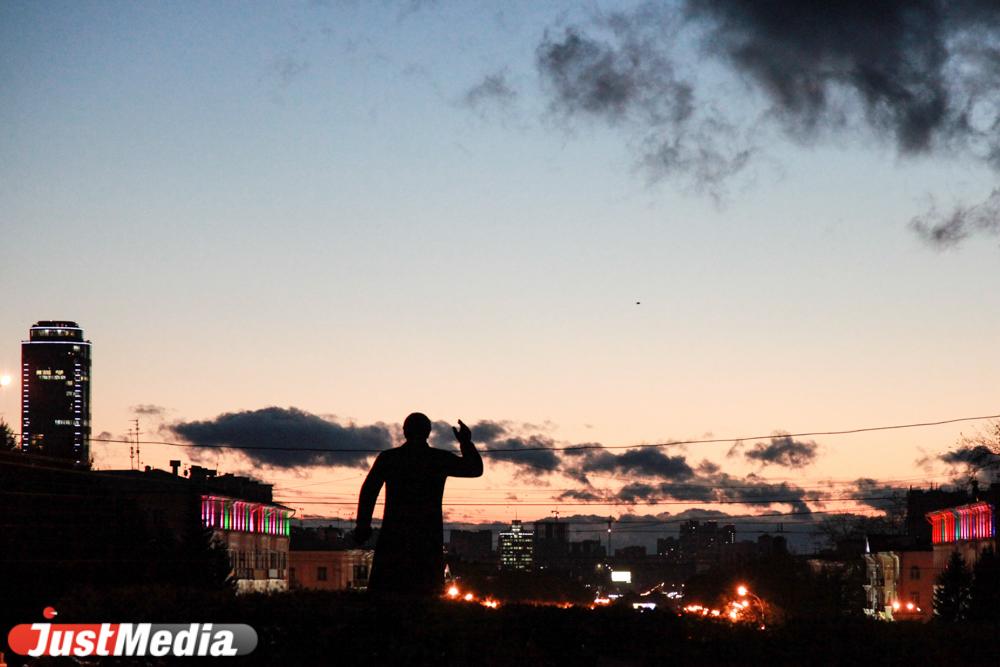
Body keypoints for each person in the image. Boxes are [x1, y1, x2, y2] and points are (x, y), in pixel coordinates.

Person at [354, 413, 483, 596]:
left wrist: (363, 526)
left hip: (394, 535)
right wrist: (466, 443)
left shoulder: (390, 458)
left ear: (404, 431)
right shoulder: (438, 459)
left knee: (386, 596)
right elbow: (475, 469)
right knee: (426, 596)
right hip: (427, 537)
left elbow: (369, 491)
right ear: (428, 433)